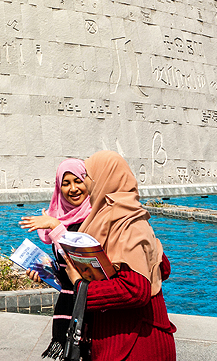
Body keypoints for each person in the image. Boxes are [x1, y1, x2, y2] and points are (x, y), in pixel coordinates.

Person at [59, 151, 176, 361]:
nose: (84, 184)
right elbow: (162, 268)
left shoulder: (128, 224)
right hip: (121, 338)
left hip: (136, 345)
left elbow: (137, 288)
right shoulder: (117, 218)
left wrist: (80, 286)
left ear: (105, 179)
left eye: (87, 177)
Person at [19, 159, 93, 359]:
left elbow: (84, 262)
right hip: (68, 306)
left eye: (78, 181)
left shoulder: (95, 218)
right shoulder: (63, 219)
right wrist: (47, 273)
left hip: (90, 310)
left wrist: (54, 225)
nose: (73, 188)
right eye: (66, 183)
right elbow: (68, 268)